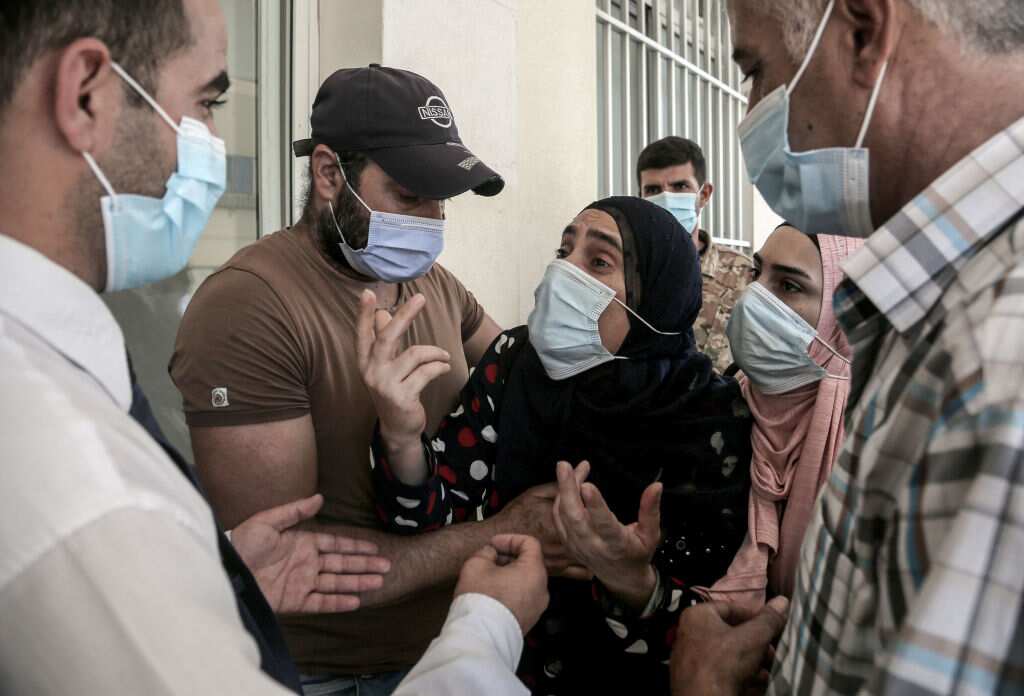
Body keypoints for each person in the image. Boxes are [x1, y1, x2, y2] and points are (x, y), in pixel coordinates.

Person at [0, 0, 395, 692]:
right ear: (87, 93)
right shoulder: (87, 491)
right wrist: (482, 628)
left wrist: (207, 572)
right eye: (205, 102)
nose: (211, 140)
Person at [169, 63, 563, 693]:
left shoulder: (432, 283)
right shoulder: (251, 306)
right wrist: (500, 533)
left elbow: (528, 383)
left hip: (452, 647)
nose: (432, 220)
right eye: (411, 196)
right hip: (331, 672)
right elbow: (294, 561)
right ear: (330, 174)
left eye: (443, 199)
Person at [674, 0, 1024, 693]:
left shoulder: (996, 364)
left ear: (863, 33)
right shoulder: (933, 310)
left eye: (757, 71)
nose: (750, 112)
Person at [361, 196, 754, 694]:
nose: (561, 269)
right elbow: (425, 519)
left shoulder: (710, 418)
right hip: (501, 669)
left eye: (598, 261)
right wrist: (400, 436)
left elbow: (722, 628)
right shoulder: (513, 362)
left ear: (657, 295)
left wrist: (633, 582)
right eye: (563, 250)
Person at [699, 225, 862, 611]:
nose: (754, 298)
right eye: (757, 274)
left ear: (844, 320)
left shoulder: (873, 450)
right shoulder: (720, 408)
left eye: (788, 286)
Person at [636, 136, 751, 372]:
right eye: (654, 190)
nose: (666, 198)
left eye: (680, 187)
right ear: (641, 198)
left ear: (704, 194)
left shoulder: (744, 276)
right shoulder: (625, 271)